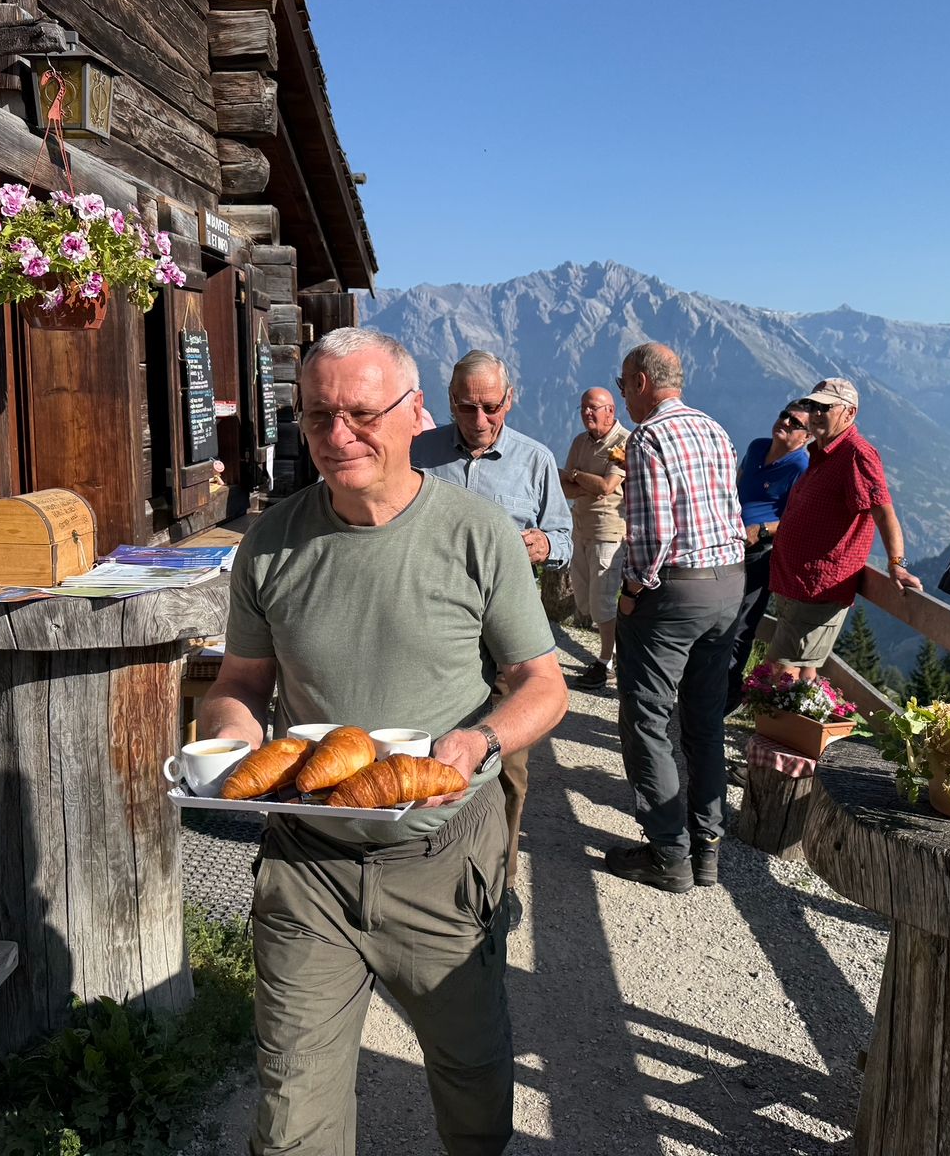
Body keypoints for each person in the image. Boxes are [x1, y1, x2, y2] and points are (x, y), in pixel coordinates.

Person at [201, 327, 568, 1156]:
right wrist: (231, 743)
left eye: (361, 414)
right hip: (307, 866)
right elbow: (240, 686)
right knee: (291, 1118)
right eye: (318, 415)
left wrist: (479, 741)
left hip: (443, 856)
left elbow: (543, 686)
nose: (338, 436)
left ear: (413, 414)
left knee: (473, 1089)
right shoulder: (270, 543)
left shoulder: (478, 534)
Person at [413, 349, 572, 913]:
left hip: (507, 635)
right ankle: (424, 872)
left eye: (490, 406)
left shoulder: (535, 459)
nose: (479, 419)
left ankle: (497, 886)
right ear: (448, 401)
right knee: (426, 744)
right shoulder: (418, 452)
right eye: (465, 407)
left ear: (510, 399)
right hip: (430, 627)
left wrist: (545, 544)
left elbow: (564, 537)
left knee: (505, 763)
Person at [609, 342, 745, 892]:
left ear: (642, 381)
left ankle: (668, 853)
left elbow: (654, 533)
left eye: (623, 384)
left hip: (675, 592)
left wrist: (630, 591)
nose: (623, 395)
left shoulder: (648, 437)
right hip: (729, 583)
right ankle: (708, 847)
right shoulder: (715, 429)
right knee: (705, 720)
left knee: (646, 717)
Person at [768, 377, 923, 682]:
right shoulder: (822, 451)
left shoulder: (856, 453)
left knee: (780, 669)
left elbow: (884, 513)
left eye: (825, 408)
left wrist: (897, 564)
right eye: (812, 405)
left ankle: (771, 715)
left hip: (816, 587)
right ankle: (798, 714)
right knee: (802, 671)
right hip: (795, 584)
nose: (815, 413)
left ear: (849, 413)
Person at [725, 401, 812, 714]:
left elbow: (797, 519)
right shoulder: (757, 447)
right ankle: (706, 684)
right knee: (714, 615)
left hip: (760, 553)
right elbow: (737, 485)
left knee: (740, 625)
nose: (785, 422)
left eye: (795, 423)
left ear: (807, 436)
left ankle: (729, 692)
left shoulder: (801, 466)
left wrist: (761, 529)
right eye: (785, 415)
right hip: (728, 543)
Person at [560, 387, 630, 690]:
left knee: (602, 601)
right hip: (581, 528)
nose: (586, 413)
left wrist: (577, 475)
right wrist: (582, 481)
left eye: (593, 408)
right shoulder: (580, 441)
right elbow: (564, 486)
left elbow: (606, 486)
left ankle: (605, 663)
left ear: (610, 411)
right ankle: (612, 651)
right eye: (583, 408)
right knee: (585, 599)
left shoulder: (623, 442)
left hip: (609, 532)